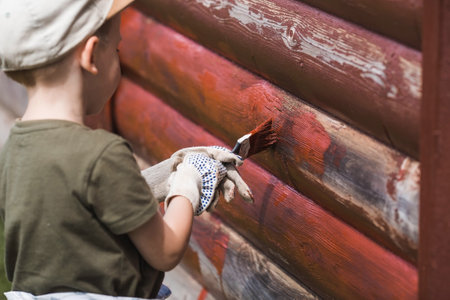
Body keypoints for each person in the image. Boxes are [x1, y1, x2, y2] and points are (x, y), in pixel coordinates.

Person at [0, 0, 252, 299]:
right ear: (92, 55)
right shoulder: (102, 153)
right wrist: (189, 181)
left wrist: (167, 172)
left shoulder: (14, 148)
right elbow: (166, 251)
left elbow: (84, 200)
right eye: (116, 50)